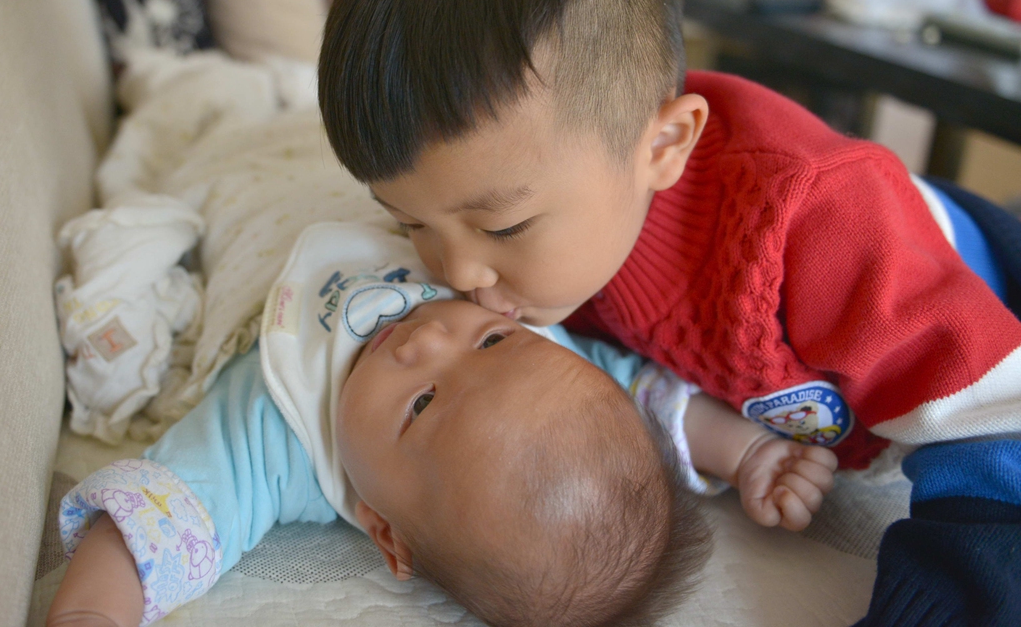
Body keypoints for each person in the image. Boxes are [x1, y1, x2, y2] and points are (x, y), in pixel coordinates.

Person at [317, 0, 1021, 624]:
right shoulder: (553, 210)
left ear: (662, 147)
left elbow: (996, 423)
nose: (459, 273)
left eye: (503, 227)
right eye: (409, 222)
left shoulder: (815, 221)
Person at [45, 222, 839, 627]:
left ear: (384, 531)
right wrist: (746, 452)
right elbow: (640, 397)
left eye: (421, 404)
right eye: (490, 342)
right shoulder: (540, 355)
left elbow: (161, 518)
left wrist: (90, 613)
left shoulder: (285, 435)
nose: (428, 338)